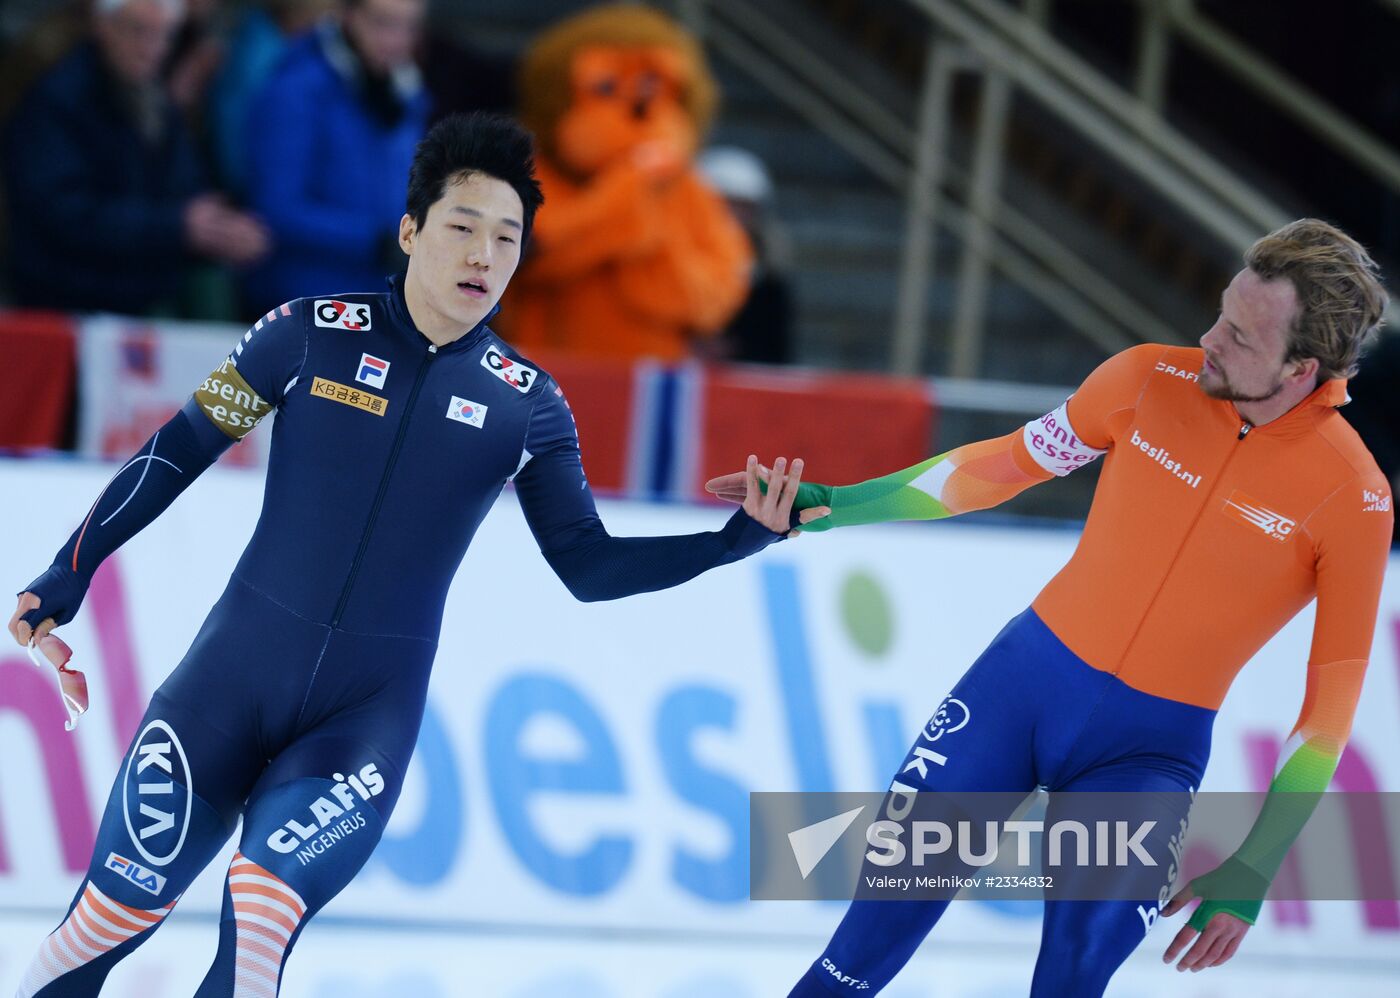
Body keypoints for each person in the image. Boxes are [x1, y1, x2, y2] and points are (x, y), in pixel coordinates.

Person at [8, 112, 808, 998]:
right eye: (463, 227)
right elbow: (178, 450)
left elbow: (586, 566)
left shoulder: (527, 407)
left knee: (261, 909)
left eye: (508, 239)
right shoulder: (304, 333)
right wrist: (69, 568)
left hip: (357, 728)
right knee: (105, 922)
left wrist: (734, 542)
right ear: (411, 231)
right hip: (220, 694)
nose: (484, 255)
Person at [709, 218, 1393, 996]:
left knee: (1068, 983)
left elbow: (1327, 713)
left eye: (1239, 335)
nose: (1208, 337)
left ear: (1301, 368)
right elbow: (995, 470)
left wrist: (1256, 864)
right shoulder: (1144, 381)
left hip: (1143, 757)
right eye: (1219, 311)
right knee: (851, 961)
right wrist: (833, 504)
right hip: (1017, 692)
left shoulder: (1353, 498)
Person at [1, 0, 269, 314]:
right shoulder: (57, 100)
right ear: (103, 26)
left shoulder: (155, 101)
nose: (151, 48)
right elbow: (63, 215)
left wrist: (221, 228)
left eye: (164, 36)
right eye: (139, 31)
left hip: (137, 286)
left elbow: (185, 192)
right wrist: (178, 227)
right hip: (71, 297)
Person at [240, 0, 429, 313]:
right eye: (383, 23)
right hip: (302, 305)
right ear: (347, 15)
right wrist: (374, 241)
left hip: (379, 301)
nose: (397, 40)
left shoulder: (406, 93)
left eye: (409, 27)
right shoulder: (295, 90)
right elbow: (276, 208)